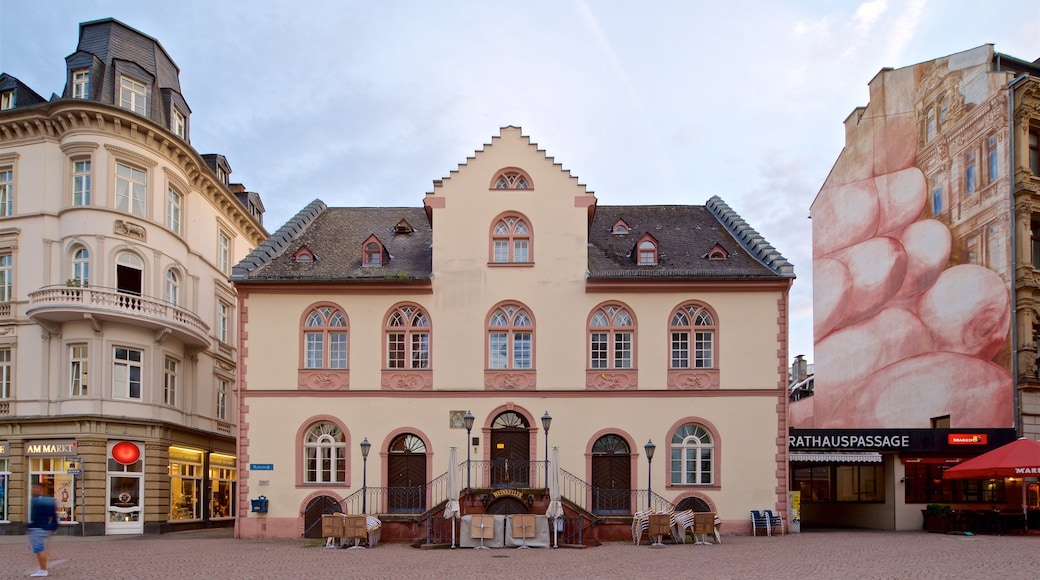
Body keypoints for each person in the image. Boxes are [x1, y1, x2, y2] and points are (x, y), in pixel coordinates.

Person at [27, 482, 58, 577]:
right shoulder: (49, 500)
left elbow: (36, 516)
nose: (33, 490)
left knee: (39, 549)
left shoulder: (37, 501)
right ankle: (44, 566)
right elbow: (53, 515)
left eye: (34, 488)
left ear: (40, 489)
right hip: (42, 527)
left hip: (38, 527)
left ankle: (43, 570)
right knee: (38, 548)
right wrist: (53, 527)